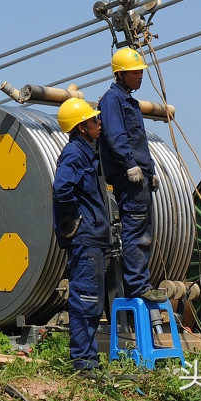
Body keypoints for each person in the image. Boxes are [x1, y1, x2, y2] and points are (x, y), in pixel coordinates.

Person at [97, 47, 167, 303]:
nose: (140, 76)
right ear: (120, 74)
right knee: (136, 232)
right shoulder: (112, 100)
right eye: (135, 72)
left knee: (144, 232)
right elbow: (116, 135)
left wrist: (151, 171)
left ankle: (141, 283)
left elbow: (140, 142)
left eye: (140, 72)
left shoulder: (130, 101)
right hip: (130, 180)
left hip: (141, 178)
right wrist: (130, 165)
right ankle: (138, 286)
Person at [52, 97, 110, 372]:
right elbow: (62, 189)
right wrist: (78, 217)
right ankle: (83, 363)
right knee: (85, 301)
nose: (99, 123)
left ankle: (89, 360)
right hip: (85, 238)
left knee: (93, 304)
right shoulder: (75, 153)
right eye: (94, 120)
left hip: (93, 237)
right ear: (81, 127)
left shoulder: (87, 151)